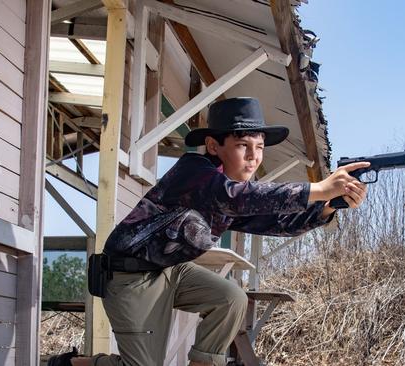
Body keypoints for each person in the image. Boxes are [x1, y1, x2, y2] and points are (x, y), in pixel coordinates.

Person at [48, 97, 368, 366]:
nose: (254, 156)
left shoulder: (228, 194)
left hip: (172, 271)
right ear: (214, 145)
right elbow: (235, 195)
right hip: (130, 276)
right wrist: (318, 188)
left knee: (231, 298)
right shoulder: (195, 173)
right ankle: (70, 364)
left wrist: (328, 207)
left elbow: (271, 222)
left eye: (259, 147)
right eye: (243, 145)